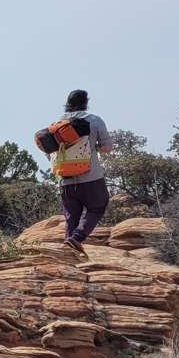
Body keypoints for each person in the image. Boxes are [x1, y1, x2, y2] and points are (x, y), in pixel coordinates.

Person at [51, 89, 115, 254]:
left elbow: (49, 150)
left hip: (65, 178)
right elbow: (107, 147)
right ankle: (77, 237)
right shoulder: (94, 120)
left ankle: (69, 252)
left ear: (67, 104)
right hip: (91, 176)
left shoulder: (57, 123)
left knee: (71, 216)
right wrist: (95, 148)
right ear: (86, 103)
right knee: (97, 206)